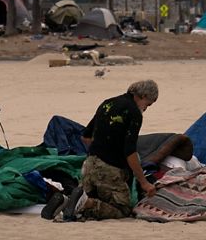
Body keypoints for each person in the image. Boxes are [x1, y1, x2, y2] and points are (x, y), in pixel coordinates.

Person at [61, 79, 159, 221]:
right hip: (109, 169)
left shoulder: (108, 103)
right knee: (122, 210)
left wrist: (99, 152)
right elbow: (130, 151)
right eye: (148, 104)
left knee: (94, 200)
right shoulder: (133, 112)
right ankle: (85, 202)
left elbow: (86, 137)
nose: (146, 108)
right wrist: (144, 182)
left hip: (89, 165)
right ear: (143, 96)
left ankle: (65, 201)